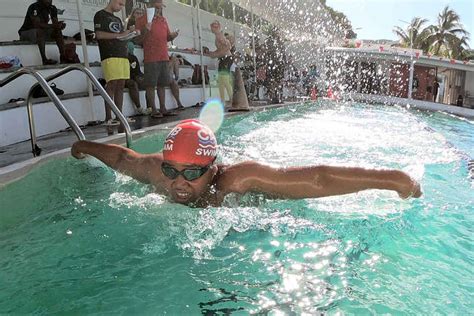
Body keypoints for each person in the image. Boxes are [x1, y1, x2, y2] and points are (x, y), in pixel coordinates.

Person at [71, 119, 422, 207]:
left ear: (212, 168)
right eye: (172, 169)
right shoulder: (157, 172)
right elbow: (122, 157)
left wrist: (393, 179)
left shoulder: (237, 180)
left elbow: (316, 179)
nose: (179, 182)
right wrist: (83, 145)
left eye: (192, 173)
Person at [135, 0, 179, 118]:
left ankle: (163, 108)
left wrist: (173, 35)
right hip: (150, 57)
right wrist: (145, 29)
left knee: (162, 84)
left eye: (160, 8)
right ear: (150, 6)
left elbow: (167, 37)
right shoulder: (141, 20)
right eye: (156, 7)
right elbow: (137, 40)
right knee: (150, 85)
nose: (159, 10)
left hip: (163, 56)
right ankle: (154, 109)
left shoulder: (163, 20)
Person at [94, 0, 134, 126]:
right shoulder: (100, 15)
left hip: (122, 54)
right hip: (109, 54)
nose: (121, 7)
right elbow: (99, 34)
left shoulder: (117, 19)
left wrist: (130, 34)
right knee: (112, 84)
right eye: (120, 4)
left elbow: (120, 36)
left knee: (121, 84)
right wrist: (120, 35)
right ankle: (108, 117)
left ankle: (119, 115)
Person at [18, 0, 66, 65]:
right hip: (26, 32)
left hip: (40, 32)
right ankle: (44, 59)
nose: (50, 1)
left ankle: (63, 57)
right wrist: (54, 25)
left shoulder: (52, 8)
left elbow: (55, 24)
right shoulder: (34, 7)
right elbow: (37, 24)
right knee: (40, 30)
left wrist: (59, 26)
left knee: (57, 31)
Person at [208, 21, 233, 105]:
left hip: (226, 58)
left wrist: (216, 54)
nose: (211, 29)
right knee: (221, 80)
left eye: (212, 27)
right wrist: (213, 53)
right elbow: (221, 49)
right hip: (224, 58)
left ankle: (232, 99)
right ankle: (223, 100)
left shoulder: (219, 35)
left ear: (216, 28)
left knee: (225, 79)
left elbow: (228, 46)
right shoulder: (218, 35)